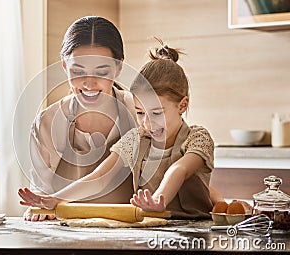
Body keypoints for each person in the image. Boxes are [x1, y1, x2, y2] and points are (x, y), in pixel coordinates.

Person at [19, 37, 222, 218]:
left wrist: (158, 200)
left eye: (157, 113)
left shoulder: (198, 137)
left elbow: (179, 169)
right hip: (151, 228)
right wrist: (56, 199)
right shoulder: (136, 139)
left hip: (196, 231)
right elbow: (99, 177)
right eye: (140, 113)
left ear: (182, 105)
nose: (148, 123)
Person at [22, 16, 137, 221]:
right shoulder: (47, 123)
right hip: (67, 235)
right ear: (65, 65)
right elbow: (42, 196)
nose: (89, 83)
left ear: (119, 67)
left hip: (131, 234)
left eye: (101, 71)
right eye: (78, 71)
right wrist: (39, 208)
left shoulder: (138, 111)